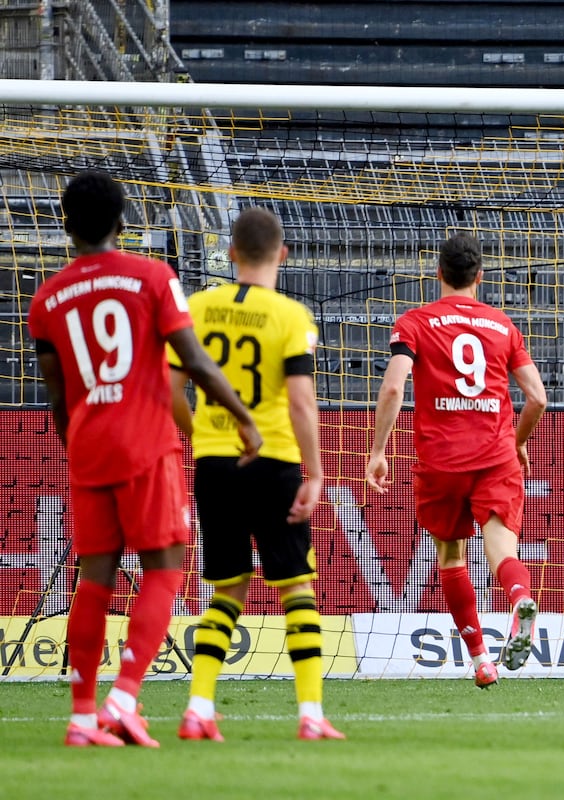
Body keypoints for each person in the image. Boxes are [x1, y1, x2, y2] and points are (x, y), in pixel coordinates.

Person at [27, 170, 263, 748]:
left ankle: (83, 719)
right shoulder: (153, 277)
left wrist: (76, 446)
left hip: (87, 447)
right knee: (163, 568)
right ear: (123, 221)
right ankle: (125, 697)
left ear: (64, 225)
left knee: (93, 581)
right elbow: (198, 364)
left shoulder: (45, 298)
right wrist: (241, 416)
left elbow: (56, 397)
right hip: (145, 441)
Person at [168, 207, 344, 741]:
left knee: (226, 591)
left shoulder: (197, 306)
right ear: (283, 255)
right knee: (296, 589)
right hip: (275, 463)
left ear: (231, 254)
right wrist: (314, 473)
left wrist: (199, 433)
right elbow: (300, 401)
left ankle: (199, 707)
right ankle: (311, 715)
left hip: (216, 460)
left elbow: (169, 386)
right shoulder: (292, 316)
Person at [366, 232, 548, 687]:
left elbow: (393, 387)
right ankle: (520, 597)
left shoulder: (415, 323)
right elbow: (537, 398)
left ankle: (481, 659)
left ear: (438, 274)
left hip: (442, 461)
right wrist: (519, 441)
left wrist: (378, 450)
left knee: (451, 557)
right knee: (502, 549)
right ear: (480, 277)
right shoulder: (503, 326)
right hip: (495, 455)